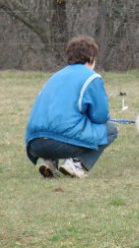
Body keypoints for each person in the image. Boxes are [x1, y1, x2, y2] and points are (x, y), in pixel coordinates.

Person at [25, 35, 118, 178]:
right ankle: (77, 165)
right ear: (92, 57)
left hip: (34, 143)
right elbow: (100, 117)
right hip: (58, 142)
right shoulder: (91, 78)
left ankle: (50, 162)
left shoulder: (55, 76)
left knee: (59, 124)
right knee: (110, 129)